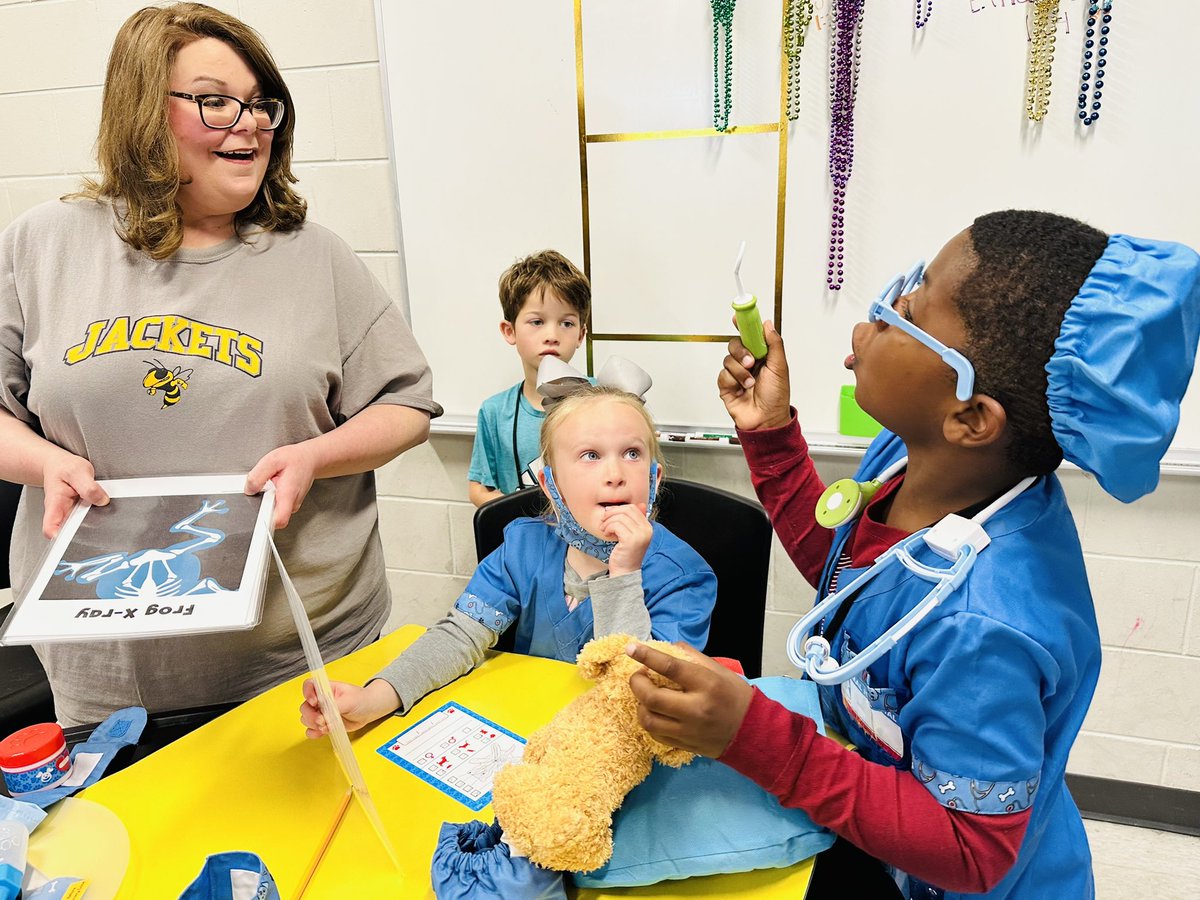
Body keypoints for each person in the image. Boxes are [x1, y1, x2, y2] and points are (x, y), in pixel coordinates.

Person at [625, 211, 1200, 900]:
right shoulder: (914, 461)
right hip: (878, 825)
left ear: (970, 417)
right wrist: (771, 433)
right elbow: (853, 583)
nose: (878, 313)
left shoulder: (983, 627)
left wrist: (759, 738)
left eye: (911, 312)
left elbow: (970, 850)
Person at [0, 3, 442, 727]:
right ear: (143, 109)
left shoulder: (315, 256)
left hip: (303, 656)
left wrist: (314, 456)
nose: (249, 124)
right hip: (108, 668)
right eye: (214, 101)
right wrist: (44, 462)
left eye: (261, 104)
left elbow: (406, 405)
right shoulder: (40, 246)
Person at [301, 374, 717, 735]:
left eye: (632, 454)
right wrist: (374, 698)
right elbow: (461, 635)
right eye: (590, 456)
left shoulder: (684, 576)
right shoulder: (524, 546)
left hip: (617, 747)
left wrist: (623, 575)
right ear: (550, 484)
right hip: (530, 728)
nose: (615, 474)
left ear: (653, 476)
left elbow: (646, 697)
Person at [468, 250, 590, 507]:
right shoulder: (495, 412)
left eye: (567, 323)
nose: (552, 335)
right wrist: (523, 518)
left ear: (581, 335)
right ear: (509, 330)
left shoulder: (605, 400)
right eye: (537, 322)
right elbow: (479, 489)